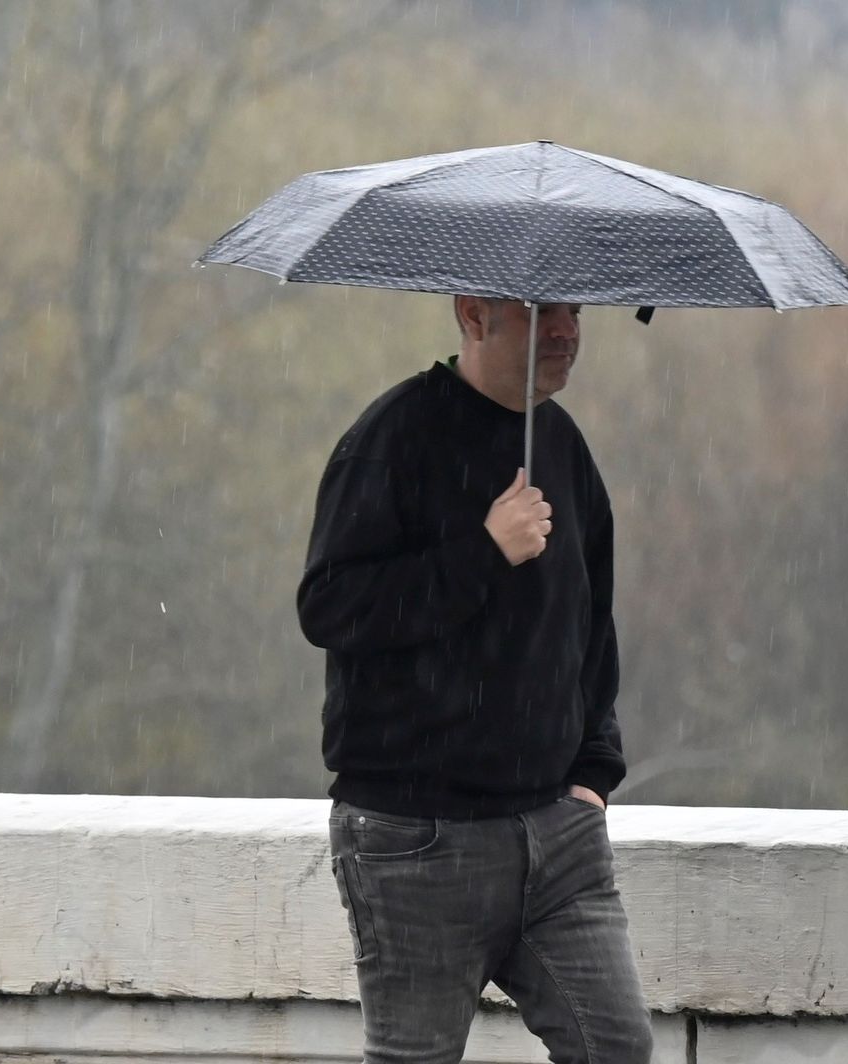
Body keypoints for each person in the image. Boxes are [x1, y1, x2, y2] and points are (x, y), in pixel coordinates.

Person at [296, 296, 653, 1064]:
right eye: (540, 313)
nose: (566, 330)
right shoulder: (391, 440)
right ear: (472, 315)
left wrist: (593, 773)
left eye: (574, 310)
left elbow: (592, 628)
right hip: (417, 838)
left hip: (557, 840)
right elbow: (330, 608)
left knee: (616, 1049)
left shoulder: (563, 447)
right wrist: (483, 551)